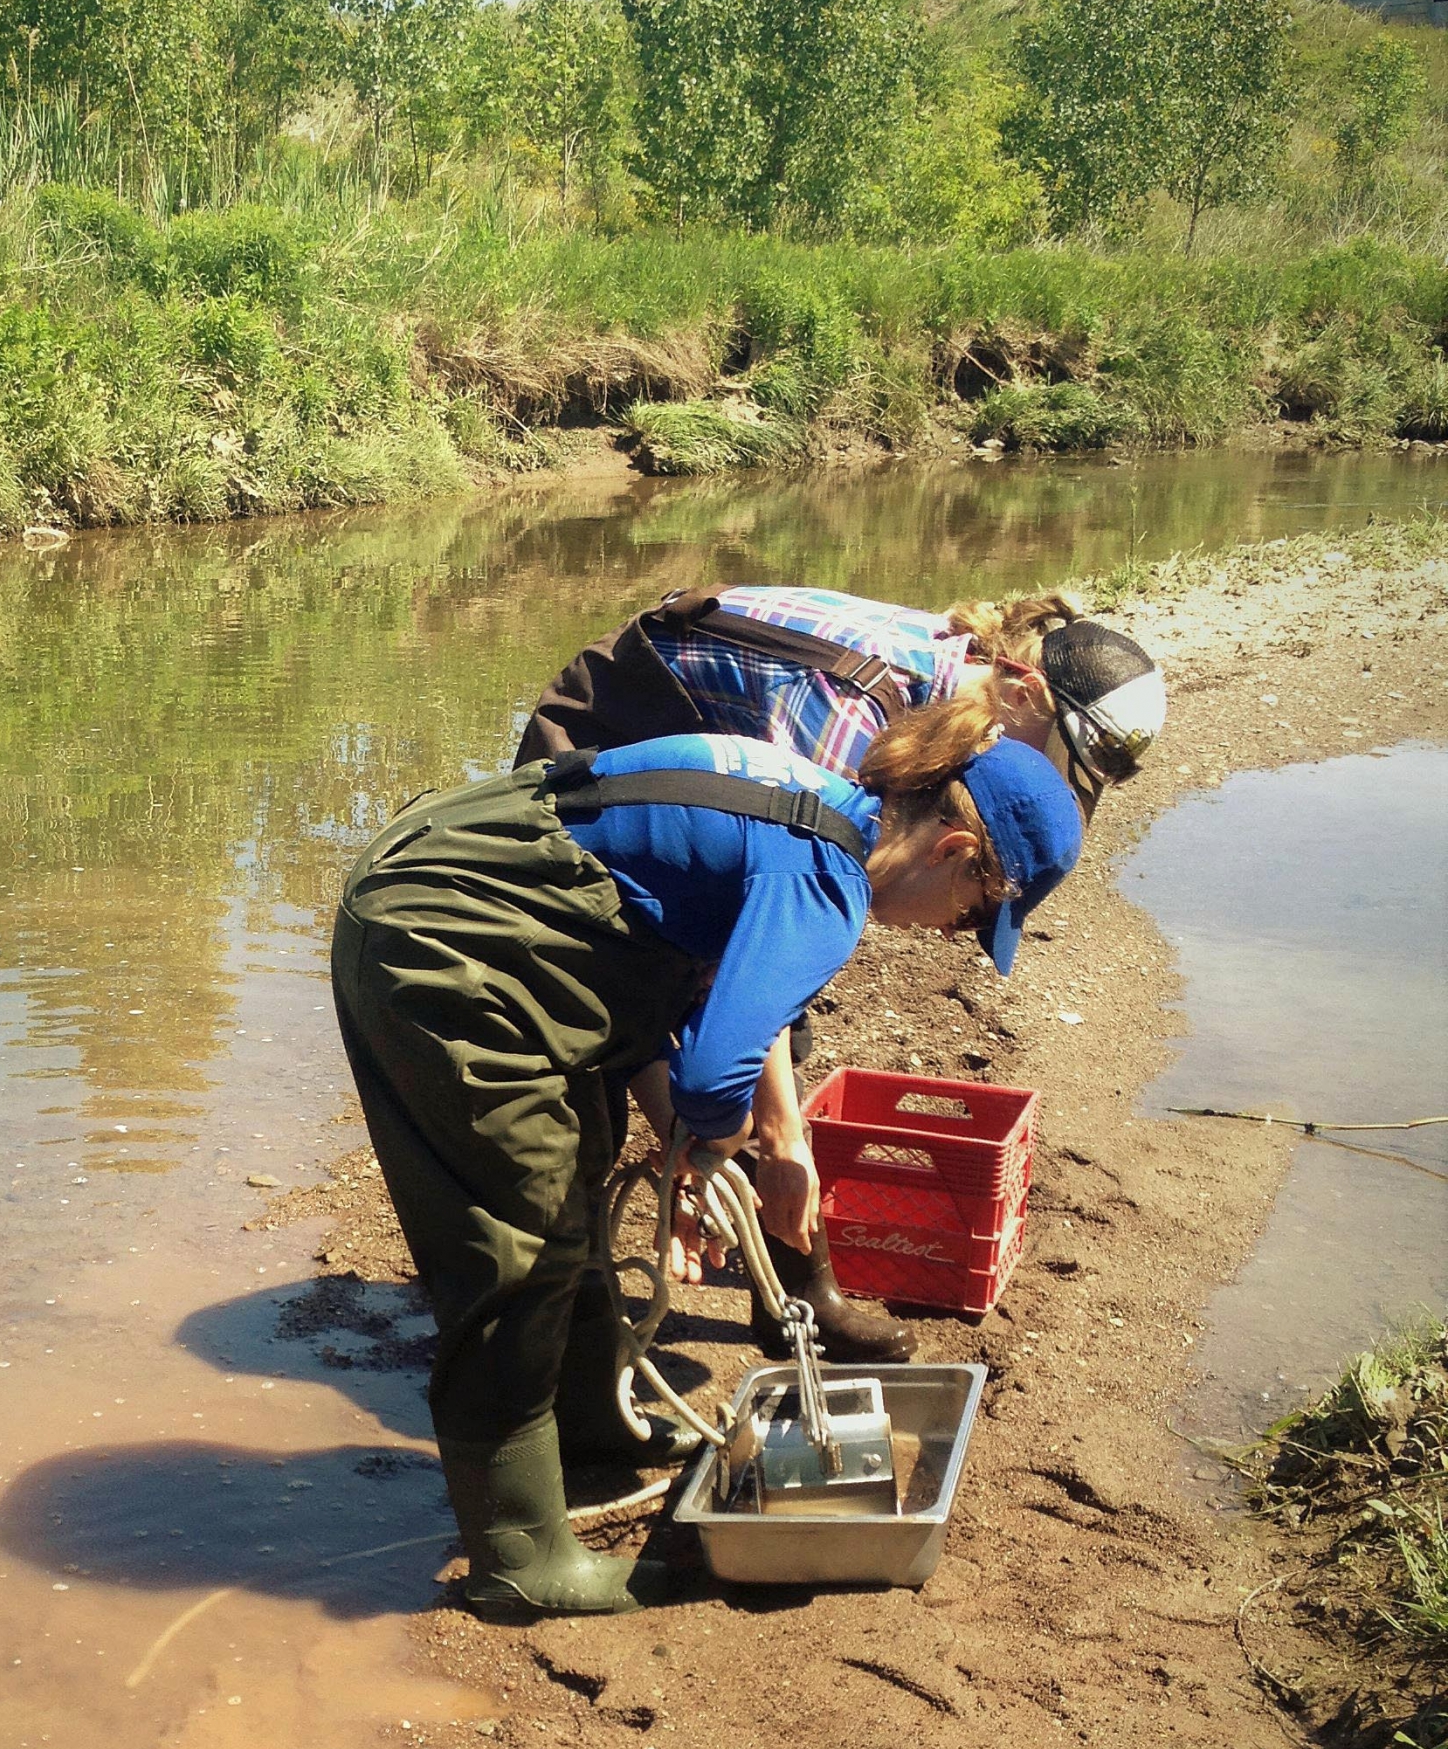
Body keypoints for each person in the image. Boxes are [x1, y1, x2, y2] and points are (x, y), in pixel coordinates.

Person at [331, 710, 1084, 1620]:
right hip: (442, 945)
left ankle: (590, 1419)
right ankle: (518, 1557)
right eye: (974, 916)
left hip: (458, 896)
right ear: (955, 850)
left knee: (579, 1171)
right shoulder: (827, 885)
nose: (951, 934)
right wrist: (710, 1151)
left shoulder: (815, 804)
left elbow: (667, 974)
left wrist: (697, 1145)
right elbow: (723, 1066)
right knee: (518, 1241)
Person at [515, 583, 1165, 1361]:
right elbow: (762, 940)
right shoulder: (849, 718)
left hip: (710, 792)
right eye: (1048, 761)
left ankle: (788, 1288)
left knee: (741, 1040)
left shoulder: (962, 699)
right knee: (618, 1041)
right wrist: (765, 1142)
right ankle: (604, 1321)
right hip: (606, 746)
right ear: (1022, 689)